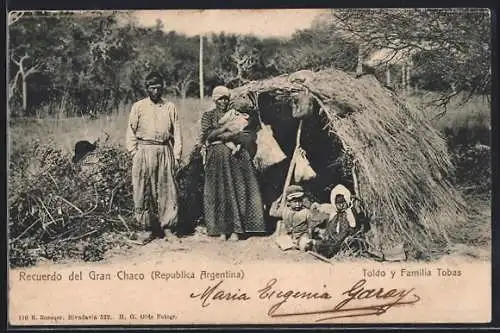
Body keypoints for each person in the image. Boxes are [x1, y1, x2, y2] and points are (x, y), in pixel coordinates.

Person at [200, 85, 265, 241]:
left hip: (236, 158)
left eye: (226, 98)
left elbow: (246, 133)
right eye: (220, 98)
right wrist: (227, 129)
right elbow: (208, 135)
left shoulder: (237, 114)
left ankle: (237, 230)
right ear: (215, 100)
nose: (224, 101)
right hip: (216, 158)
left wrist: (228, 134)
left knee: (237, 191)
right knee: (219, 192)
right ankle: (221, 231)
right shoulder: (208, 116)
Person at [126, 72, 182, 244]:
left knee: (167, 190)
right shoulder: (139, 107)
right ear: (147, 88)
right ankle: (145, 229)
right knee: (143, 190)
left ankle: (168, 228)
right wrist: (134, 153)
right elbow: (130, 131)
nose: (156, 91)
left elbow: (177, 133)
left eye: (158, 87)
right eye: (152, 88)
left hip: (164, 149)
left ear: (162, 88)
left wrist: (177, 156)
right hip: (144, 150)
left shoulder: (170, 107)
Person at [269, 185, 328, 251]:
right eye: (295, 202)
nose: (297, 204)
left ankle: (301, 245)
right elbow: (272, 213)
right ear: (289, 202)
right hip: (290, 237)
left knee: (304, 245)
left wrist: (309, 237)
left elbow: (310, 227)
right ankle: (293, 245)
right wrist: (277, 201)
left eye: (299, 201)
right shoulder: (285, 211)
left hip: (302, 236)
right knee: (280, 241)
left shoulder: (306, 212)